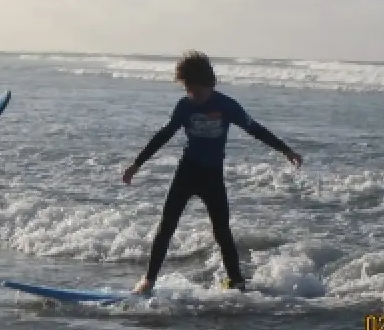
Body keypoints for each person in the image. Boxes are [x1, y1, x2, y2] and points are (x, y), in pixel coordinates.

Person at [122, 51, 303, 296]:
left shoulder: (226, 105)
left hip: (212, 177)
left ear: (209, 84)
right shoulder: (184, 106)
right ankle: (148, 281)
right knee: (167, 226)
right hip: (187, 172)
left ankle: (237, 283)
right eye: (188, 90)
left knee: (221, 231)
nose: (192, 95)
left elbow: (255, 129)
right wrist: (137, 164)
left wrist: (286, 150)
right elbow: (164, 135)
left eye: (196, 90)